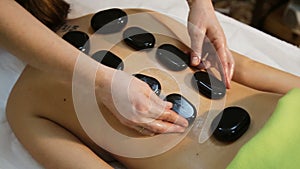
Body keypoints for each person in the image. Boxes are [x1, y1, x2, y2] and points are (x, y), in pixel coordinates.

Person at [0, 0, 234, 135]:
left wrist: (200, 5)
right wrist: (100, 79)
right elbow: (243, 69)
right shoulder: (142, 19)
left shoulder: (24, 105)